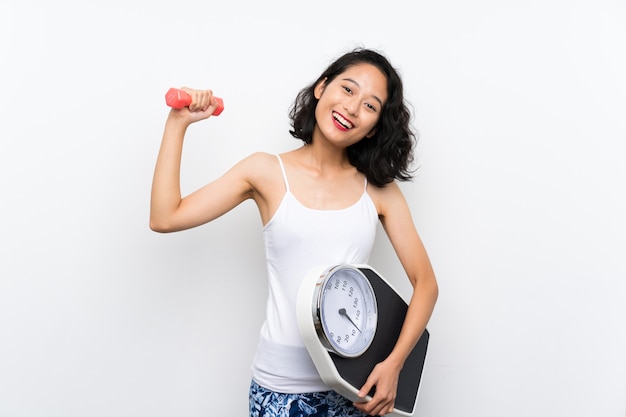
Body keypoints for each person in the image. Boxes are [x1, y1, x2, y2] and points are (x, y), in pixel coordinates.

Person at [150, 47, 438, 417]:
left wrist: (394, 364)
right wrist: (177, 123)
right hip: (279, 390)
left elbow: (425, 283)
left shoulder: (379, 190)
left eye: (370, 106)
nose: (352, 108)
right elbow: (165, 217)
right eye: (348, 90)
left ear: (377, 125)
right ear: (322, 87)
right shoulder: (265, 171)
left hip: (356, 390)